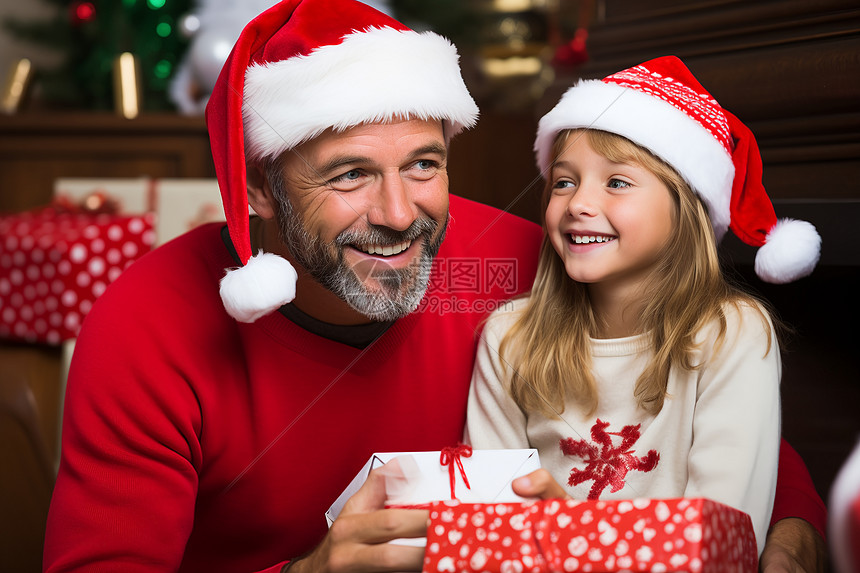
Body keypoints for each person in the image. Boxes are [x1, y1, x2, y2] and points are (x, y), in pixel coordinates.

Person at [41, 1, 826, 571]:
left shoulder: (524, 263)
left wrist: (789, 529)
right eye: (350, 174)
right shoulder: (151, 322)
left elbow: (713, 406)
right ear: (255, 188)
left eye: (424, 163)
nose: (399, 214)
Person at [465, 56, 821, 556]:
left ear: (685, 208)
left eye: (616, 182)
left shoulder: (733, 335)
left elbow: (722, 541)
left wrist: (563, 530)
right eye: (564, 181)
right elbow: (488, 537)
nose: (577, 203)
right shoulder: (509, 336)